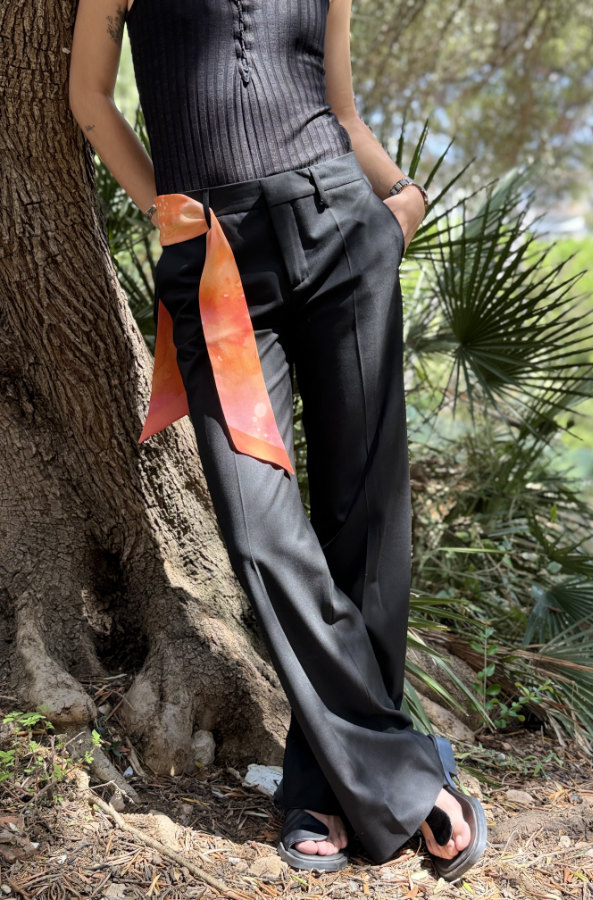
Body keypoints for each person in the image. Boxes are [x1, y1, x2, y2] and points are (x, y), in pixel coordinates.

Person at [68, 0, 487, 879]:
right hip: (214, 255)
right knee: (259, 528)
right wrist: (165, 210)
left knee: (362, 520)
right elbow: (90, 101)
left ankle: (321, 790)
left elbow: (337, 104)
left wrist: (399, 198)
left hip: (341, 225)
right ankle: (407, 775)